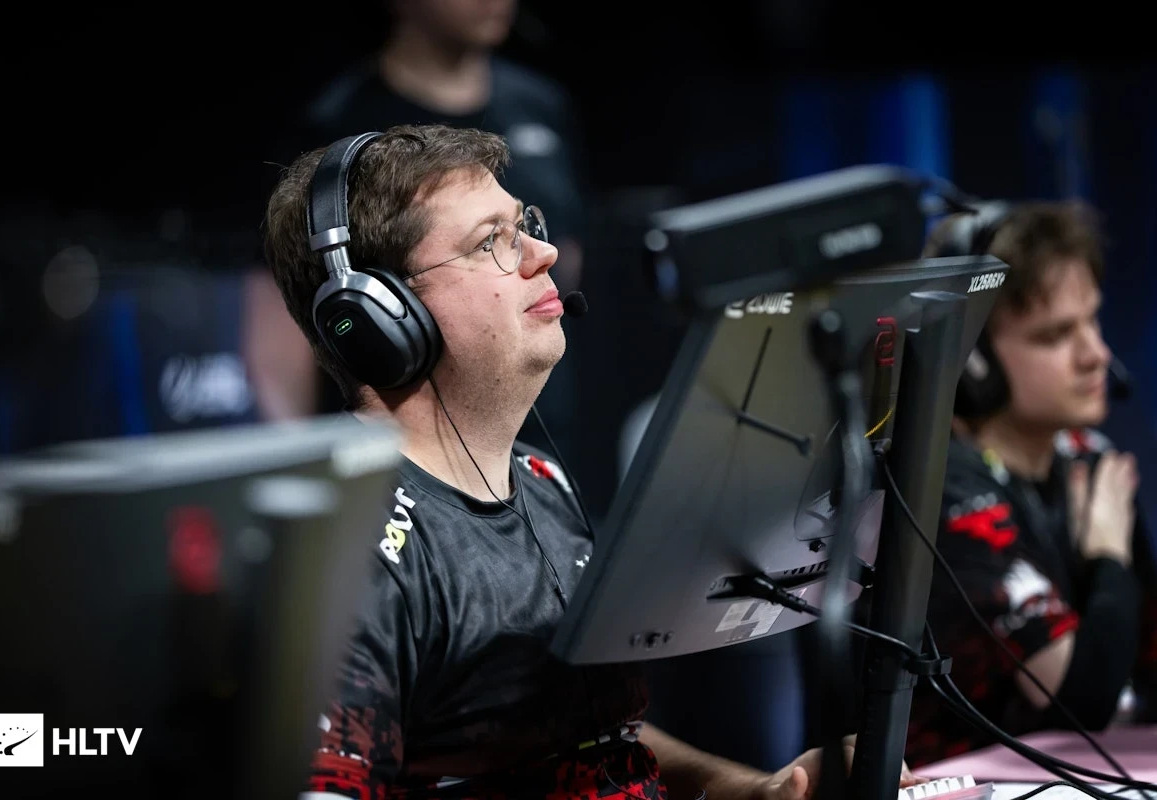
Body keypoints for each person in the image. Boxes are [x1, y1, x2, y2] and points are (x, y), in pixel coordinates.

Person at [263, 124, 920, 799]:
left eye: (526, 226)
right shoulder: (348, 552)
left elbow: (598, 741)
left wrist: (759, 791)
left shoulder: (540, 480)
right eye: (490, 242)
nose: (544, 253)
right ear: (378, 315)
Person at [257, 0, 587, 452]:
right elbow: (276, 322)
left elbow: (569, 253)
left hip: (545, 431)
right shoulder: (335, 124)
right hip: (401, 441)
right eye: (487, 242)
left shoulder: (542, 103)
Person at [906, 200, 1157, 766]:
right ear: (975, 361)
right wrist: (1108, 556)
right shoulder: (946, 490)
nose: (1097, 355)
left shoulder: (1087, 458)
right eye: (1056, 335)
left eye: (1092, 320)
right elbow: (1079, 700)